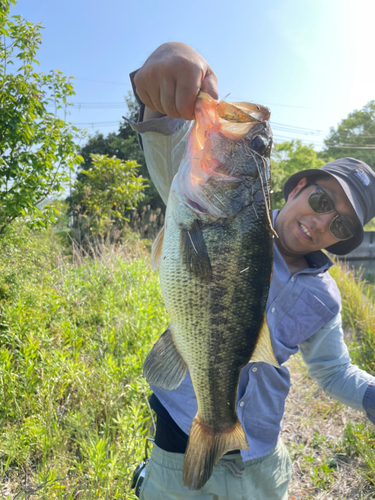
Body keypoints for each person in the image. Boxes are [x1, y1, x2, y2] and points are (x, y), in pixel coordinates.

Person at [127, 42, 375, 500]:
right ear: (299, 186)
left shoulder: (325, 297)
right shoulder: (202, 203)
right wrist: (162, 71)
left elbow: (333, 370)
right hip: (179, 439)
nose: (321, 221)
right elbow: (164, 143)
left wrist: (371, 395)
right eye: (321, 201)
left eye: (339, 224)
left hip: (262, 457)